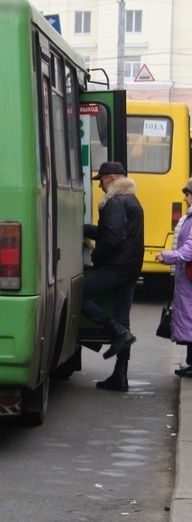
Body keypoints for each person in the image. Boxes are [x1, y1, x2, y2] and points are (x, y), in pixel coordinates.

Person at [82, 161, 144, 391]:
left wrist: (97, 255)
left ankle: (116, 332)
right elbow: (111, 231)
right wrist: (86, 229)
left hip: (116, 267)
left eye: (101, 180)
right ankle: (120, 375)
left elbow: (113, 237)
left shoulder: (115, 201)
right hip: (130, 268)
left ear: (112, 178)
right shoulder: (131, 200)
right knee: (123, 318)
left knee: (81, 295)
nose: (99, 186)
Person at [158, 179, 192, 376]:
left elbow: (188, 250)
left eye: (188, 194)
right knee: (188, 317)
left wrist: (168, 257)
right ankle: (190, 362)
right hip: (185, 275)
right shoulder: (188, 217)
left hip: (188, 275)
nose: (185, 198)